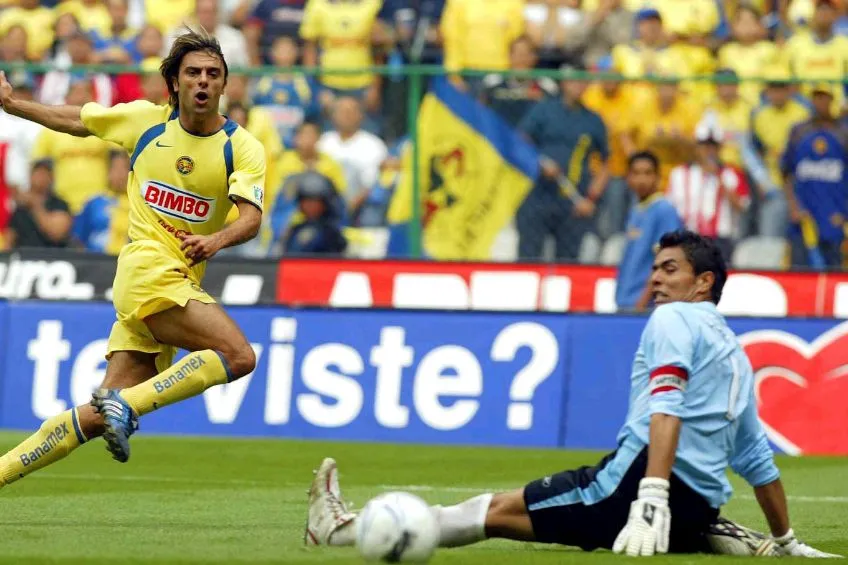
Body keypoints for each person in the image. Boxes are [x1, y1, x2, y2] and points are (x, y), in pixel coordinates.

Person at [305, 230, 840, 558]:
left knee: (497, 511)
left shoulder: (675, 318)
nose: (655, 279)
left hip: (633, 487)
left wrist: (650, 494)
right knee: (672, 522)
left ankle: (341, 532)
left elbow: (666, 404)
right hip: (699, 503)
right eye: (654, 268)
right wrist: (787, 535)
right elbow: (755, 459)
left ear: (703, 283)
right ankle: (721, 534)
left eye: (669, 269)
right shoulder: (739, 356)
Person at [0, 29, 266, 483]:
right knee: (238, 356)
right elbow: (78, 119)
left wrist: (215, 240)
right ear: (176, 82)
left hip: (177, 280)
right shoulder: (145, 122)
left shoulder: (241, 147)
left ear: (224, 85)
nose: (203, 81)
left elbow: (251, 217)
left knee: (96, 415)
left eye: (213, 74)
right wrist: (12, 104)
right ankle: (126, 405)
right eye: (193, 73)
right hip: (144, 269)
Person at [782, 82, 848, 269]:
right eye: (816, 97)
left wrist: (844, 211)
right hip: (804, 217)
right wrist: (794, 207)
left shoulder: (844, 132)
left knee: (834, 269)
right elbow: (786, 173)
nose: (820, 102)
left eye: (824, 97)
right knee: (800, 270)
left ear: (832, 100)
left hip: (834, 216)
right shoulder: (799, 131)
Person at [615, 151, 682, 312]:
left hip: (646, 306)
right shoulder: (636, 210)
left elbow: (665, 263)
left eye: (648, 173)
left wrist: (641, 304)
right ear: (628, 178)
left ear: (658, 177)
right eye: (636, 173)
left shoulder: (663, 210)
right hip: (626, 301)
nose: (642, 180)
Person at [5, 159, 72, 249]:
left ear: (51, 178)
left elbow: (57, 233)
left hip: (52, 258)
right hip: (23, 259)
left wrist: (36, 206)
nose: (41, 178)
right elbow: (10, 238)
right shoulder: (21, 208)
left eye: (44, 174)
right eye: (38, 174)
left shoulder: (59, 204)